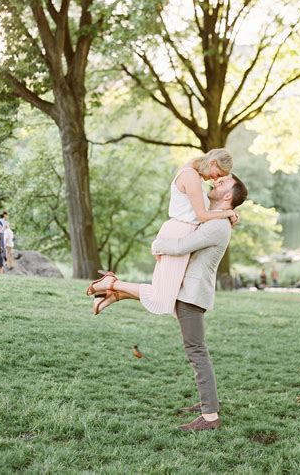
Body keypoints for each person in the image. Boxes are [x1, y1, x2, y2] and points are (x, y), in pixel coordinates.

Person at [87, 173, 248, 432]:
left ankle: (210, 417)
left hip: (192, 294)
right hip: (186, 289)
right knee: (161, 301)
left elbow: (184, 245)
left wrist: (157, 244)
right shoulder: (216, 218)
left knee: (197, 351)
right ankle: (114, 291)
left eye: (221, 184)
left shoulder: (217, 226)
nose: (214, 183)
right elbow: (197, 214)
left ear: (228, 196)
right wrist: (229, 215)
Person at [89, 148, 237, 316]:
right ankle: (112, 284)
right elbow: (202, 215)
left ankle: (113, 295)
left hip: (182, 233)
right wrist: (227, 213)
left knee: (168, 295)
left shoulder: (195, 175)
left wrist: (224, 213)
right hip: (178, 234)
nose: (216, 179)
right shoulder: (190, 175)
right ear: (212, 163)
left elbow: (198, 212)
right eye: (218, 174)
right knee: (162, 297)